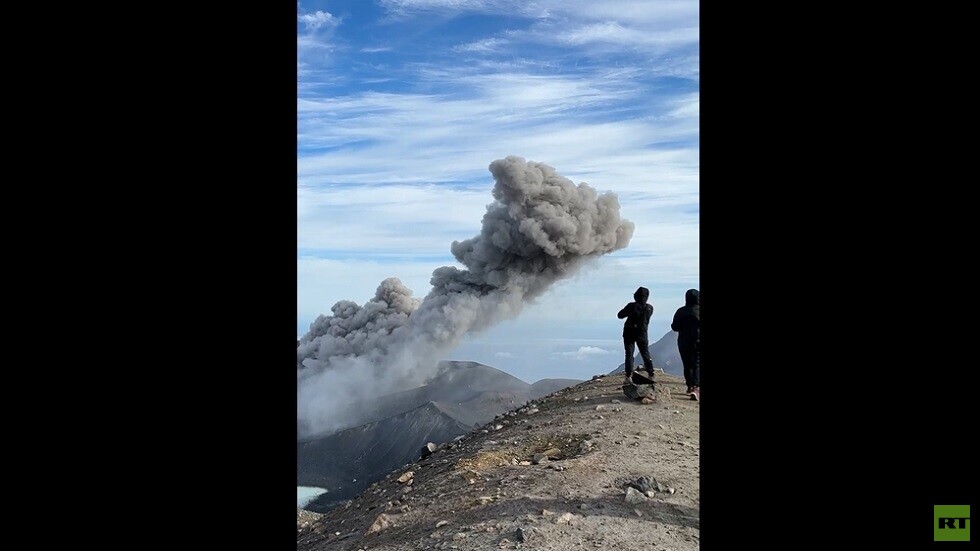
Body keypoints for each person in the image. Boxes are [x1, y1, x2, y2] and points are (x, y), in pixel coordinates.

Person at [618, 286, 655, 383]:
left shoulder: (631, 306)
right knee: (645, 352)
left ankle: (628, 376)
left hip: (629, 332)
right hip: (642, 333)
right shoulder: (650, 308)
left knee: (629, 353)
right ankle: (651, 374)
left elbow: (620, 315)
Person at [671, 289, 700, 400]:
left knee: (687, 364)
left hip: (683, 342)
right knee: (696, 364)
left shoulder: (680, 311)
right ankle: (696, 388)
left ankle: (689, 386)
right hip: (698, 342)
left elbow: (674, 327)